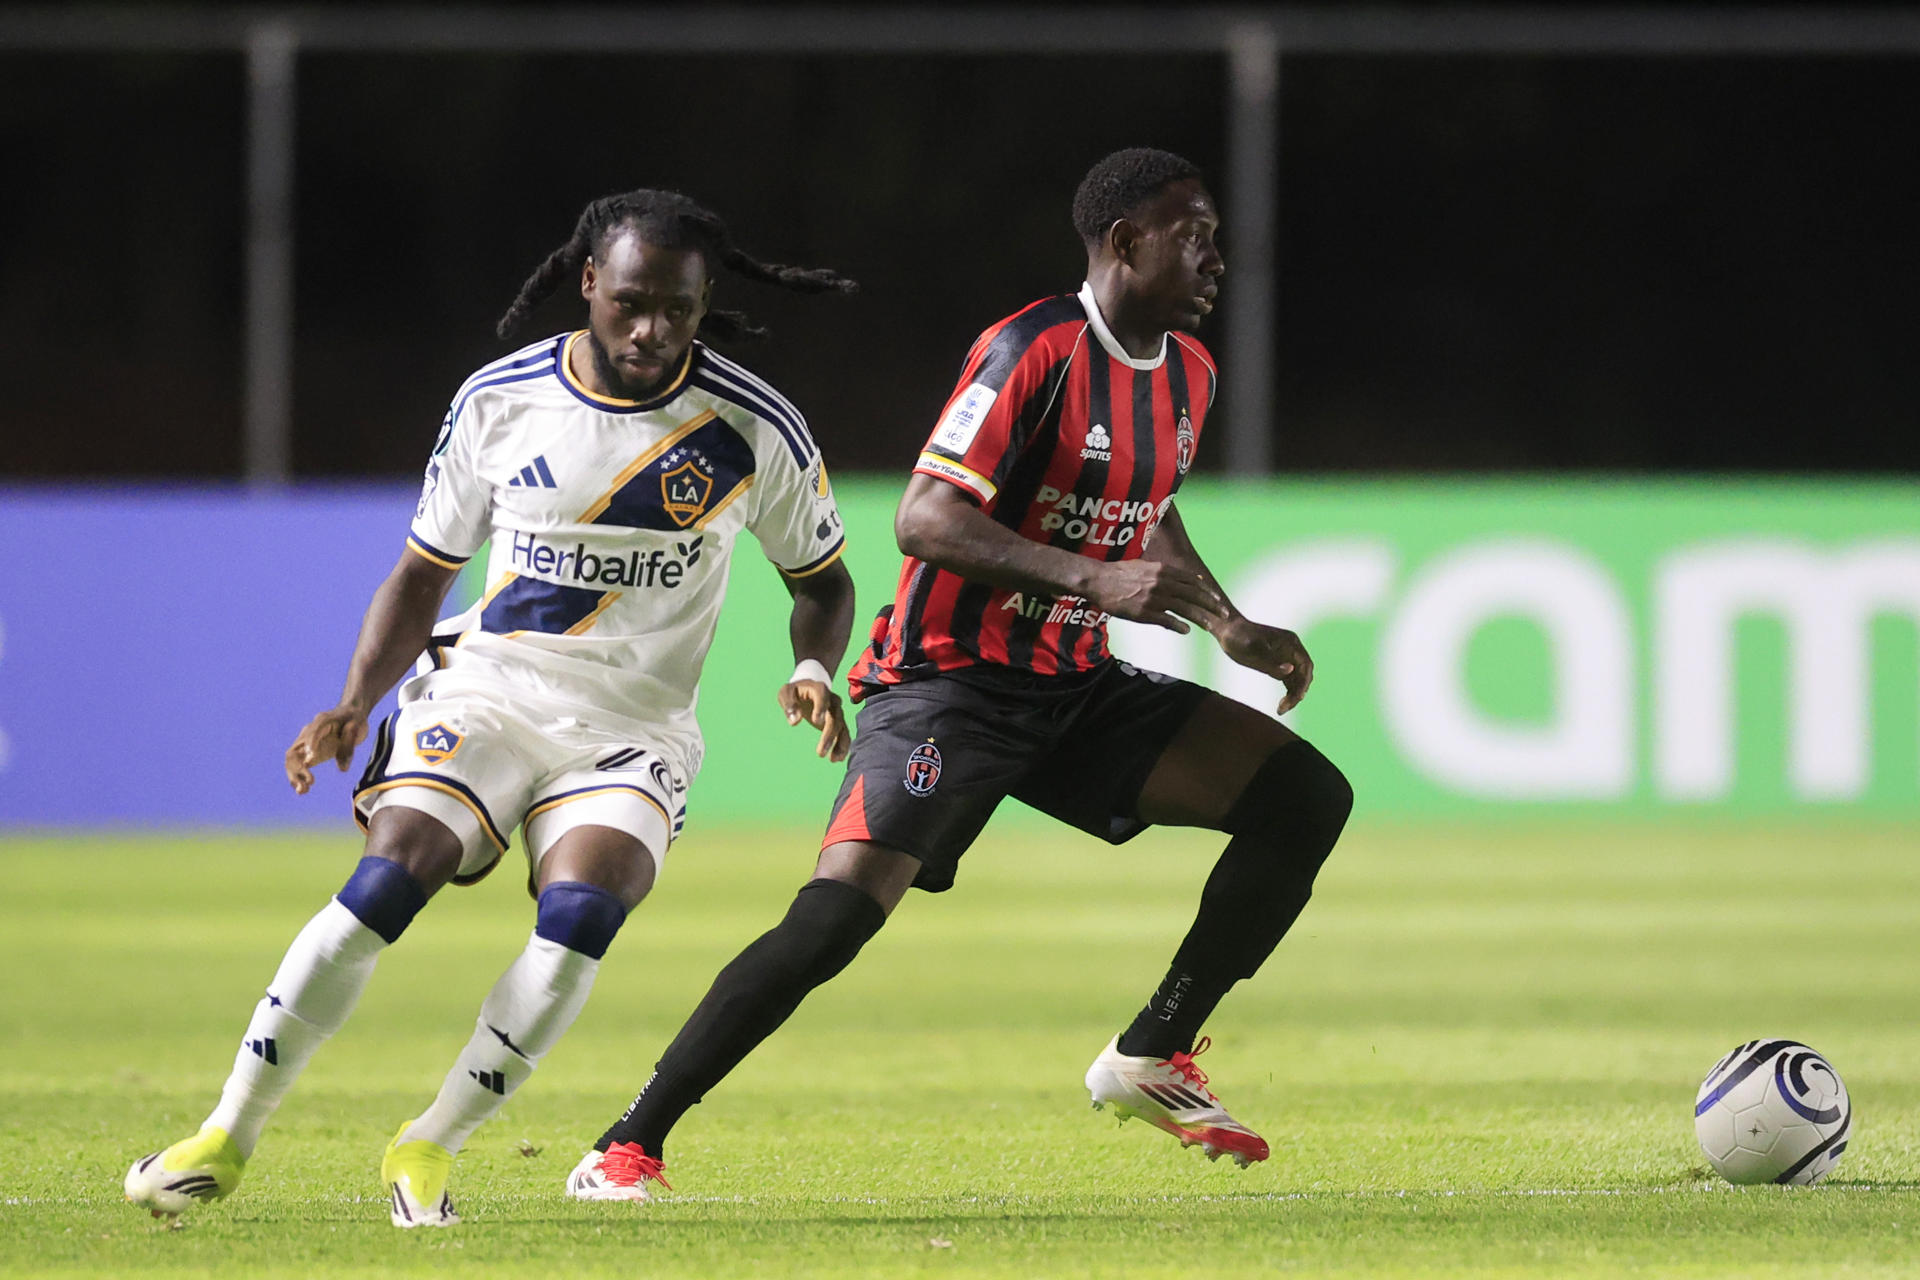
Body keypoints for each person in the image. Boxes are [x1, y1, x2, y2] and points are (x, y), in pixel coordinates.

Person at [566, 148, 1354, 1204]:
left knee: (1305, 795)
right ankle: (628, 1140)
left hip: (1073, 682)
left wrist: (1227, 622)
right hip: (948, 682)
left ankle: (1152, 1051)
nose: (1216, 254)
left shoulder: (1191, 374)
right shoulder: (1033, 349)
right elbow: (924, 518)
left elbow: (1144, 506)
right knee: (835, 918)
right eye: (1194, 232)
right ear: (1125, 243)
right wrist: (1090, 575)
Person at [122, 189, 860, 1228]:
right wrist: (350, 703)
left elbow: (823, 582)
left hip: (631, 727)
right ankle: (225, 1134)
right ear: (590, 282)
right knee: (391, 873)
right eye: (634, 301)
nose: (654, 330)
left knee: (580, 918)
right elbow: (424, 571)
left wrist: (816, 671)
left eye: (681, 310)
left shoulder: (751, 426)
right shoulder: (501, 398)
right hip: (489, 689)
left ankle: (429, 1141)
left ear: (705, 304)